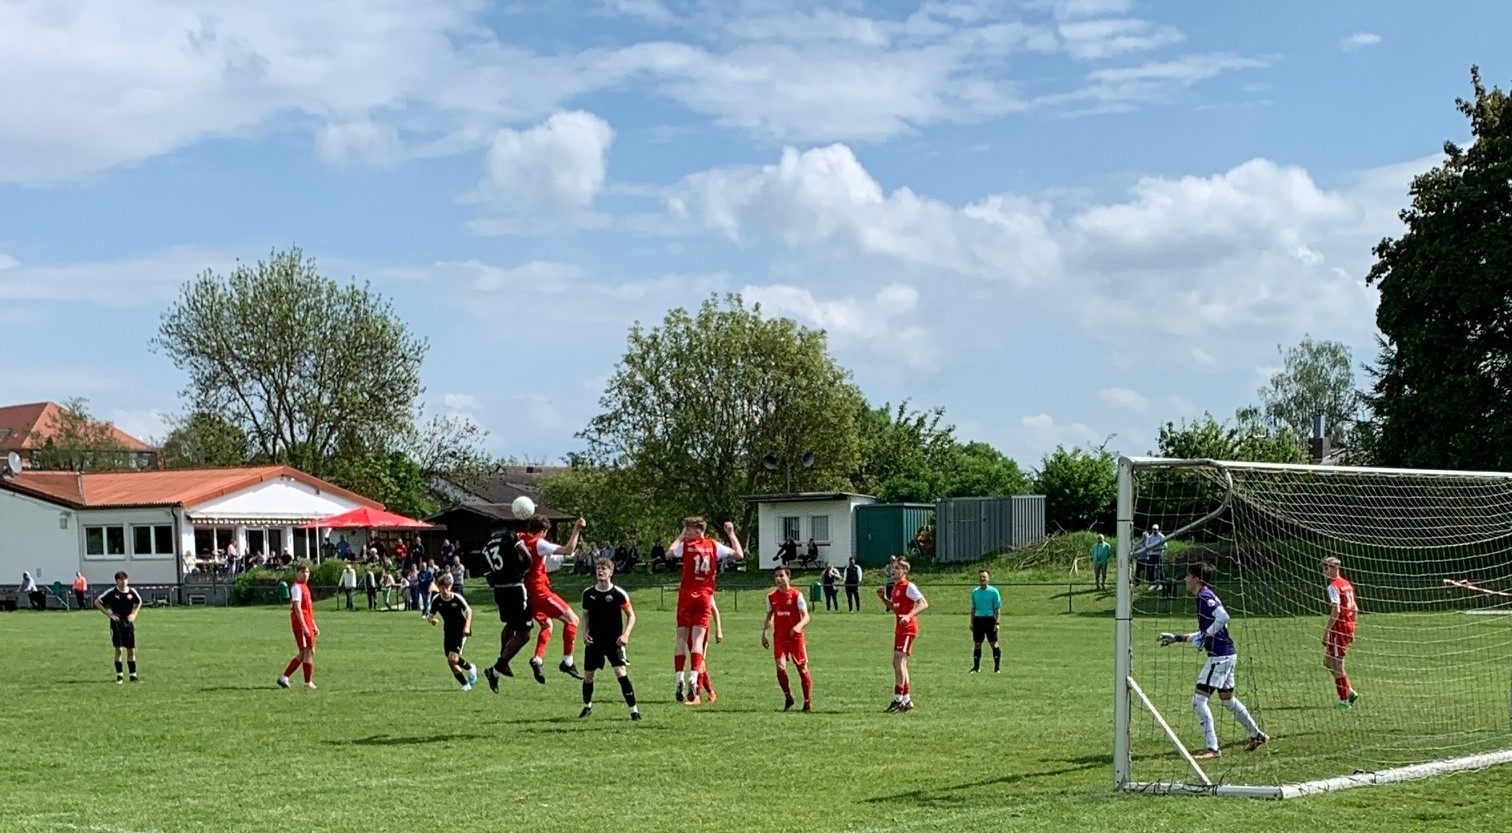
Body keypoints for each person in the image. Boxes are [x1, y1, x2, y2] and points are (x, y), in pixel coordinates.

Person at [1159, 562, 1268, 759]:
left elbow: (1224, 617)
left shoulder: (1204, 597)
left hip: (1220, 657)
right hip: (1226, 654)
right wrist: (1178, 638)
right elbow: (1205, 632)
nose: (1185, 579)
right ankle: (1257, 734)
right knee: (1227, 699)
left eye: (1188, 576)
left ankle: (1213, 748)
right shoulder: (1204, 596)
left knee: (1199, 701)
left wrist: (1206, 635)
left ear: (1196, 578)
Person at [671, 516, 744, 705]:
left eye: (688, 529)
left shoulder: (686, 545)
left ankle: (679, 677)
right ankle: (694, 677)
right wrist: (731, 534)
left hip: (687, 594)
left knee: (681, 638)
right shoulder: (714, 546)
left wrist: (680, 536)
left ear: (697, 530)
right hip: (705, 595)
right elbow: (739, 554)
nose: (686, 532)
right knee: (698, 640)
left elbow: (670, 553)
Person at [521, 514, 587, 683]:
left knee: (547, 625)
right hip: (540, 591)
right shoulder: (539, 543)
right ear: (543, 531)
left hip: (527, 592)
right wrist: (577, 529)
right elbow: (568, 550)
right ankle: (567, 662)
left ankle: (537, 659)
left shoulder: (520, 538)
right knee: (573, 620)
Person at [578, 557, 641, 721]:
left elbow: (631, 615)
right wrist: (584, 633)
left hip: (614, 642)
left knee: (621, 673)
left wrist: (626, 634)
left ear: (611, 572)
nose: (600, 571)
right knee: (588, 676)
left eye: (604, 569)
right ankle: (587, 706)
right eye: (598, 568)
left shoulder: (618, 594)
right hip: (594, 641)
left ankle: (634, 711)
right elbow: (585, 615)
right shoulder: (588, 593)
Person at [481, 528, 537, 693]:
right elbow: (527, 557)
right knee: (524, 634)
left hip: (499, 590)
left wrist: (501, 578)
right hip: (515, 588)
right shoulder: (509, 536)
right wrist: (522, 572)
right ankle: (497, 668)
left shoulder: (487, 545)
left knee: (511, 625)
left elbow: (488, 576)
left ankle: (503, 659)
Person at [878, 559, 928, 711]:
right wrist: (883, 598)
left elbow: (923, 603)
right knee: (899, 663)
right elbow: (895, 607)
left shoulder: (909, 586)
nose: (893, 570)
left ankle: (898, 699)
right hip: (900, 628)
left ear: (905, 571)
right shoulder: (896, 587)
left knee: (898, 662)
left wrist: (909, 615)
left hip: (908, 628)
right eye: (893, 568)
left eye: (897, 568)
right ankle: (906, 700)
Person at [761, 567, 813, 711]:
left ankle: (807, 702)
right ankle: (788, 698)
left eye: (781, 576)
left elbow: (806, 616)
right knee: (780, 667)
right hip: (779, 638)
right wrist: (764, 633)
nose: (778, 579)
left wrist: (798, 627)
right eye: (776, 576)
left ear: (788, 577)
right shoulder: (771, 597)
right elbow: (769, 617)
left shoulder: (797, 595)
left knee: (802, 669)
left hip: (796, 638)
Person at [427, 573, 478, 691]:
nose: (445, 590)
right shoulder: (436, 600)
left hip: (460, 630)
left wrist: (467, 627)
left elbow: (468, 610)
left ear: (450, 587)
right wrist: (432, 620)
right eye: (442, 588)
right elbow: (430, 616)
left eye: (447, 587)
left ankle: (471, 669)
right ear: (439, 588)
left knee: (453, 658)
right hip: (448, 631)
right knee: (450, 660)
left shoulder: (456, 598)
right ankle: (465, 685)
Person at [1321, 556, 1360, 709]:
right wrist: (1352, 629)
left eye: (1325, 569)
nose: (1324, 573)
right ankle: (1349, 691)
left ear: (1332, 569)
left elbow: (1336, 610)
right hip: (1348, 625)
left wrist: (1327, 631)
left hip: (1339, 628)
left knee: (1337, 665)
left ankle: (1344, 700)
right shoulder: (1347, 584)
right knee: (1327, 662)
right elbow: (1355, 609)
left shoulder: (1334, 586)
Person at [94, 571, 143, 683]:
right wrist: (109, 614)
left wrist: (134, 614)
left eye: (125, 579)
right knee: (119, 649)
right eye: (121, 580)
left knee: (131, 649)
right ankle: (119, 676)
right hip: (116, 623)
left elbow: (139, 602)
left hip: (128, 623)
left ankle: (133, 676)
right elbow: (97, 602)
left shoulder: (131, 592)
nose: (123, 582)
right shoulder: (112, 592)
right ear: (117, 581)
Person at [278, 563, 319, 689]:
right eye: (302, 572)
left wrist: (313, 624)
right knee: (307, 651)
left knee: (308, 651)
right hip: (301, 624)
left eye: (307, 572)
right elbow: (297, 608)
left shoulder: (305, 587)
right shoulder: (297, 587)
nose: (305, 574)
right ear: (297, 573)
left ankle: (286, 677)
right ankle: (305, 681)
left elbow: (308, 610)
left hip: (307, 622)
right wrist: (304, 626)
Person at [970, 570, 1002, 674]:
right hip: (978, 619)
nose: (982, 579)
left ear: (988, 578)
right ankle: (976, 668)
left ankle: (997, 668)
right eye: (980, 577)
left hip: (989, 620)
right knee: (977, 644)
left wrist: (997, 623)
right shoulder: (975, 592)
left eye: (984, 577)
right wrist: (972, 622)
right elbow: (973, 608)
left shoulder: (994, 592)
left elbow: (997, 609)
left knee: (993, 643)